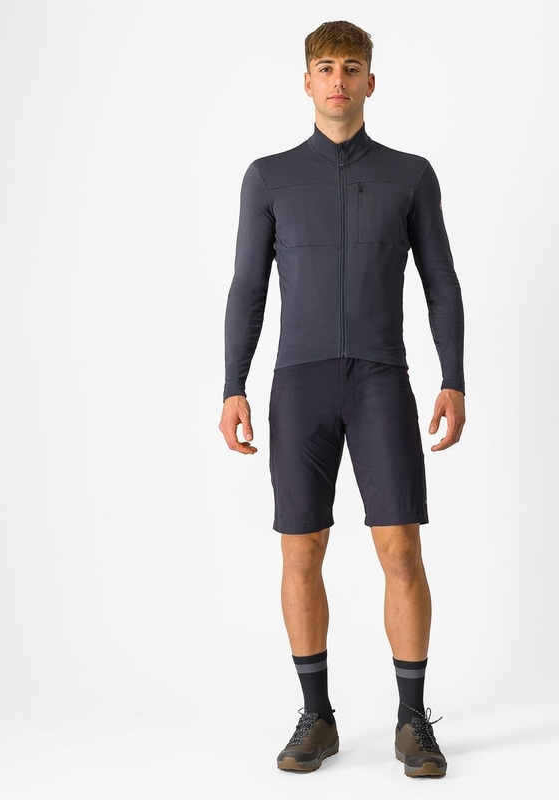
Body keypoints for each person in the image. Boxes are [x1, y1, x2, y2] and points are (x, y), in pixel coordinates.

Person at [219, 20, 465, 778]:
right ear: (306, 82)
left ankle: (413, 720)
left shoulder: (409, 174)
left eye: (351, 67)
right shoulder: (268, 177)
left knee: (401, 547)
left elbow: (440, 281)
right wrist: (232, 385)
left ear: (370, 82)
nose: (338, 79)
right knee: (301, 548)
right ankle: (316, 717)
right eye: (325, 67)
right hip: (300, 382)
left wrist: (453, 376)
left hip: (381, 380)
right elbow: (247, 287)